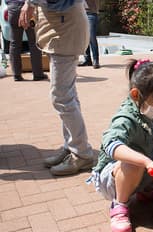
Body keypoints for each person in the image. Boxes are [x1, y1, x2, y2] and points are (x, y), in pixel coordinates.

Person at [87, 58, 153, 232]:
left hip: (137, 167)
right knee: (135, 162)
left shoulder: (146, 110)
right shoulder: (125, 118)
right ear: (135, 95)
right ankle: (120, 205)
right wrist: (147, 162)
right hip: (112, 176)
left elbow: (144, 138)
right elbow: (110, 145)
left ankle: (144, 189)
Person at [19, 0, 94, 175]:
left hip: (65, 30)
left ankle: (82, 153)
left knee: (61, 97)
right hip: (61, 29)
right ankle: (72, 146)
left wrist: (29, 3)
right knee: (68, 95)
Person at [6, 0, 47, 81]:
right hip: (28, 8)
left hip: (13, 8)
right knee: (34, 42)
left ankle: (16, 75)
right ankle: (38, 74)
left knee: (14, 43)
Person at [78, 0, 100, 69]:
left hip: (91, 14)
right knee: (84, 38)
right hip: (81, 13)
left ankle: (96, 60)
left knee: (92, 37)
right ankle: (88, 60)